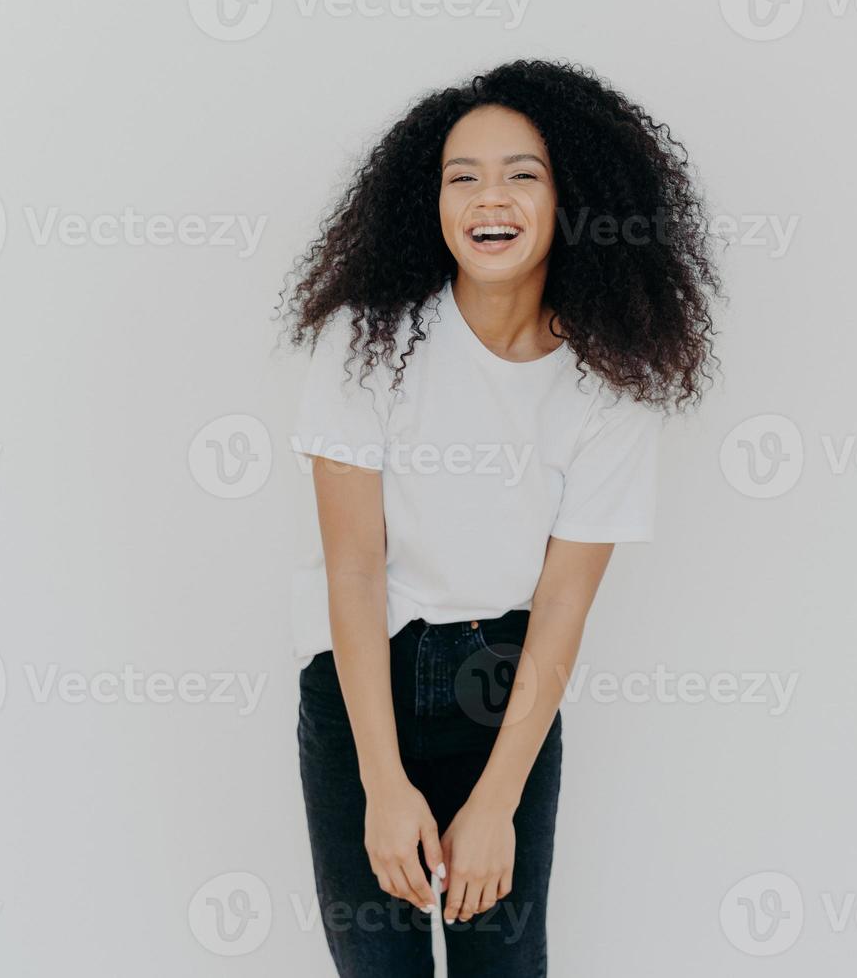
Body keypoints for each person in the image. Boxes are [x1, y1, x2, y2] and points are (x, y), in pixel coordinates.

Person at [282, 58, 720, 977]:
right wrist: (381, 781)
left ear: (574, 198)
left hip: (507, 690)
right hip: (368, 687)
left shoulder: (613, 382)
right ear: (428, 201)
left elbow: (563, 606)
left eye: (524, 174)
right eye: (463, 176)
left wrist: (497, 804)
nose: (492, 197)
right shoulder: (367, 341)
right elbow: (354, 568)